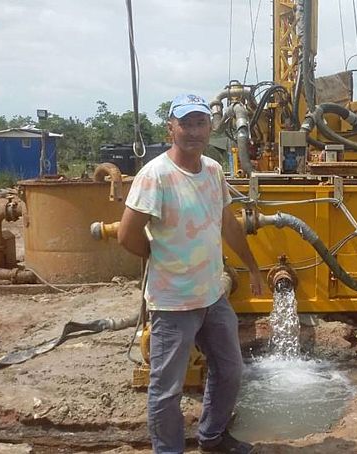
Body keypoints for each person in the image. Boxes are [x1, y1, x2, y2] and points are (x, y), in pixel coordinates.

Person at [118, 93, 263, 454]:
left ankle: (212, 437)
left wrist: (253, 267)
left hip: (213, 296)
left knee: (230, 371)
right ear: (171, 128)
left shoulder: (213, 170)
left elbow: (228, 223)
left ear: (209, 127)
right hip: (172, 303)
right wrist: (161, 256)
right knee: (167, 390)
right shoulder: (156, 175)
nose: (194, 131)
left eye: (200, 123)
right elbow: (126, 234)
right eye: (186, 123)